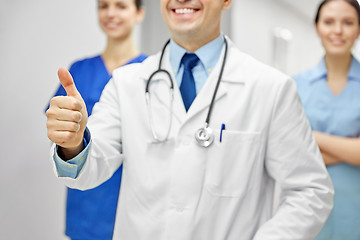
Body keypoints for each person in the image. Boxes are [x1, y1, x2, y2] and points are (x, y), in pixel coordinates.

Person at [46, 0, 334, 239]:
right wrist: (73, 143)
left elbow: (311, 190)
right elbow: (90, 166)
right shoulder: (127, 83)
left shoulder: (270, 88)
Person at [47, 0, 146, 239]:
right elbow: (63, 139)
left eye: (121, 6)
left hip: (133, 204)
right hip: (86, 209)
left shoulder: (150, 73)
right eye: (104, 6)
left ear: (139, 14)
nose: (111, 13)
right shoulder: (79, 71)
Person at [293, 0, 360, 239]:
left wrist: (311, 138)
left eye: (348, 23)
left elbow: (300, 147)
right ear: (317, 27)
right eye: (329, 22)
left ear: (359, 29)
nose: (338, 31)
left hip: (355, 209)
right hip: (305, 207)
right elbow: (288, 152)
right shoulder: (294, 85)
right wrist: (350, 149)